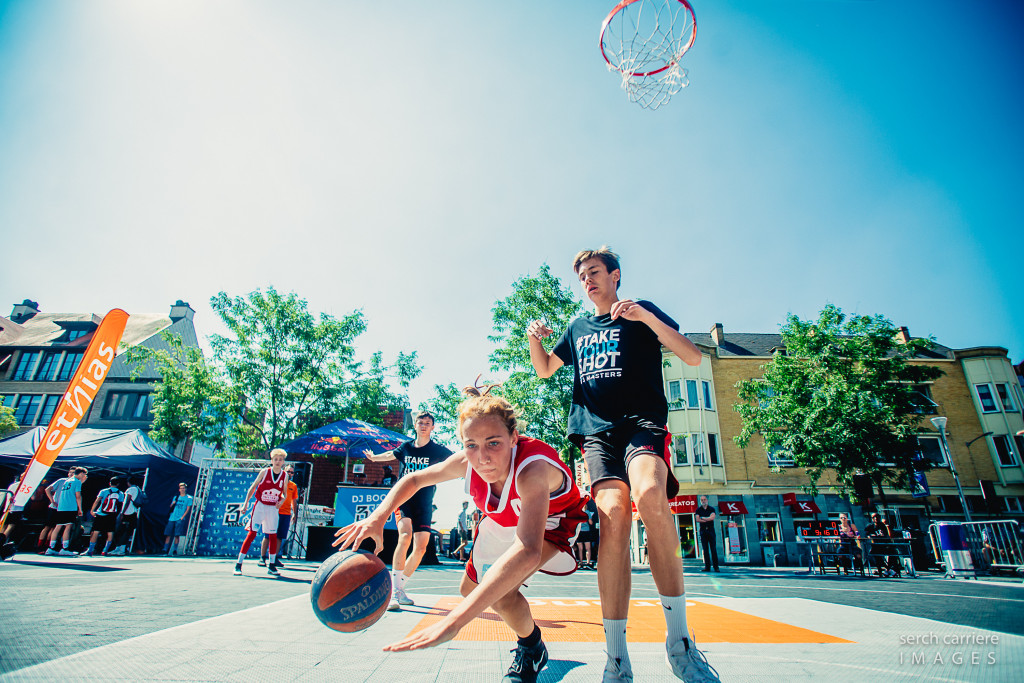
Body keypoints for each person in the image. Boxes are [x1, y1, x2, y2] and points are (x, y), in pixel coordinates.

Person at [527, 246, 718, 683]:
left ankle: (681, 644)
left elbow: (691, 356)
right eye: (582, 276)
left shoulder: (642, 311)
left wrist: (645, 319)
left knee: (651, 494)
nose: (588, 280)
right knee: (613, 515)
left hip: (641, 423)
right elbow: (543, 370)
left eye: (595, 272)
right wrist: (535, 337)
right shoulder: (577, 326)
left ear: (615, 275)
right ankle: (616, 658)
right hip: (596, 433)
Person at [335, 386, 589, 683]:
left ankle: (531, 647)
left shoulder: (532, 472)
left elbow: (529, 549)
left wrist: (455, 621)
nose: (481, 457)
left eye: (493, 443)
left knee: (502, 592)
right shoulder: (467, 460)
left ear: (513, 438)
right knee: (470, 590)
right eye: (471, 445)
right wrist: (378, 517)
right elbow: (414, 478)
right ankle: (534, 642)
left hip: (551, 522)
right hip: (502, 520)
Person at [363, 411, 453, 611]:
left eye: (428, 423)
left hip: (425, 499)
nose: (423, 425)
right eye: (420, 422)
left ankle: (399, 587)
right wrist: (374, 458)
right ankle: (395, 593)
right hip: (404, 498)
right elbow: (391, 454)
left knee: (421, 547)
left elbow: (457, 460)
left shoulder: (437, 450)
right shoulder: (406, 447)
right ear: (416, 425)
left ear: (432, 427)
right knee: (405, 535)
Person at [234, 449, 289, 577]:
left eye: (280, 460)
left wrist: (281, 501)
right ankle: (238, 564)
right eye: (275, 459)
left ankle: (271, 565)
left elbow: (285, 493)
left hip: (272, 509)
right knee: (252, 533)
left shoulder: (284, 476)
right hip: (260, 506)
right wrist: (246, 503)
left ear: (283, 462)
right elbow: (253, 487)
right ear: (272, 460)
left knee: (273, 536)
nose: (277, 461)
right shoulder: (264, 472)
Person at [261, 464, 298, 569]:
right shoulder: (277, 482)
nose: (290, 474)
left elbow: (293, 500)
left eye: (292, 472)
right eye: (288, 471)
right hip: (274, 511)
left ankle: (274, 558)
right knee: (268, 535)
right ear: (284, 471)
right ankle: (262, 557)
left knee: (280, 536)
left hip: (286, 514)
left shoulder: (293, 486)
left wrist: (295, 513)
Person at [45, 467, 87, 556]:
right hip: (70, 507)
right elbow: (78, 496)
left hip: (61, 507)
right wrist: (80, 509)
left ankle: (51, 548)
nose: (84, 476)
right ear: (80, 473)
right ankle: (65, 548)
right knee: (68, 527)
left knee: (58, 527)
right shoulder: (76, 481)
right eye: (84, 474)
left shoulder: (67, 481)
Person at [39, 468, 76, 553]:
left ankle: (49, 546)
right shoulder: (62, 480)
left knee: (55, 528)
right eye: (70, 472)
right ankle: (40, 546)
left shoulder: (74, 482)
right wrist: (52, 501)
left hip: (63, 508)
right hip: (55, 507)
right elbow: (48, 489)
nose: (71, 474)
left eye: (73, 473)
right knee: (48, 527)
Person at [87, 476, 125, 556]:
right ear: (118, 484)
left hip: (101, 513)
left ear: (109, 483)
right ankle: (105, 550)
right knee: (110, 532)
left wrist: (92, 510)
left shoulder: (104, 491)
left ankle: (90, 550)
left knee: (96, 531)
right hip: (112, 515)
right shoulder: (121, 493)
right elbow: (120, 505)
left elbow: (97, 501)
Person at [111, 476, 144, 556]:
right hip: (134, 511)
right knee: (127, 532)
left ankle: (119, 549)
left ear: (128, 482)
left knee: (121, 531)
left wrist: (122, 513)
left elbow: (127, 501)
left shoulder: (130, 489)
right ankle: (121, 548)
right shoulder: (138, 489)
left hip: (128, 512)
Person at [163, 483, 194, 556]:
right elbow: (171, 506)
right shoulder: (176, 497)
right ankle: (165, 549)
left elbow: (188, 509)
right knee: (168, 534)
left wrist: (182, 517)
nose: (182, 489)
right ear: (179, 490)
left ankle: (175, 550)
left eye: (184, 488)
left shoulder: (189, 498)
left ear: (186, 489)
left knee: (177, 534)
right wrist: (173, 503)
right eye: (181, 488)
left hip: (180, 518)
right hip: (172, 517)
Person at [695, 496, 719, 573]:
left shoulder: (711, 509)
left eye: (704, 499)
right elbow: (697, 519)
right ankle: (707, 567)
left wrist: (703, 518)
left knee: (713, 549)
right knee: (705, 550)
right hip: (703, 531)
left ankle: (716, 567)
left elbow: (712, 518)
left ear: (707, 500)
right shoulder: (698, 510)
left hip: (711, 531)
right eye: (701, 500)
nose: (703, 501)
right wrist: (707, 518)